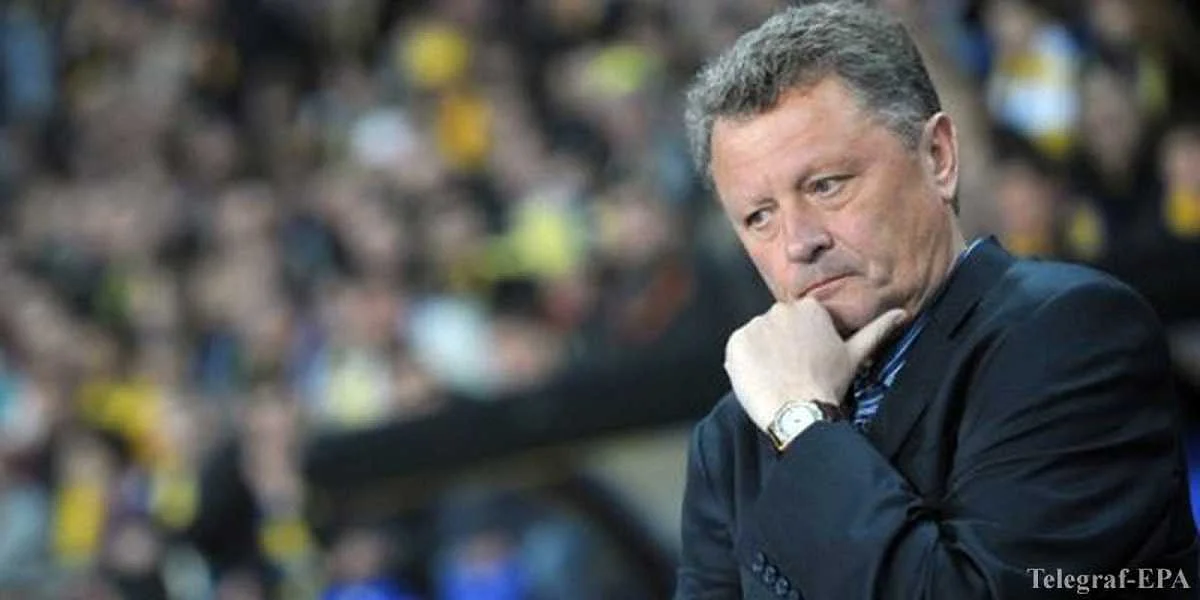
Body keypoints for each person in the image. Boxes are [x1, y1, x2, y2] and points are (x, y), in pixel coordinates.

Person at [675, 2, 1198, 599]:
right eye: (759, 217)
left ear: (938, 157)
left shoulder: (1073, 336)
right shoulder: (733, 436)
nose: (798, 242)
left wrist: (803, 424)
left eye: (825, 185)